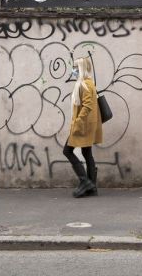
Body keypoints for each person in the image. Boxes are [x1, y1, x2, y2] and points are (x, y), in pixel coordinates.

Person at [63, 57, 103, 198]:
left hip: (83, 125)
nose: (73, 70)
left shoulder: (85, 84)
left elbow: (87, 106)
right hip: (87, 125)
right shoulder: (87, 83)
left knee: (67, 151)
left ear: (80, 69)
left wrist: (78, 123)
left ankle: (85, 181)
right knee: (87, 154)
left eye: (75, 68)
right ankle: (92, 188)